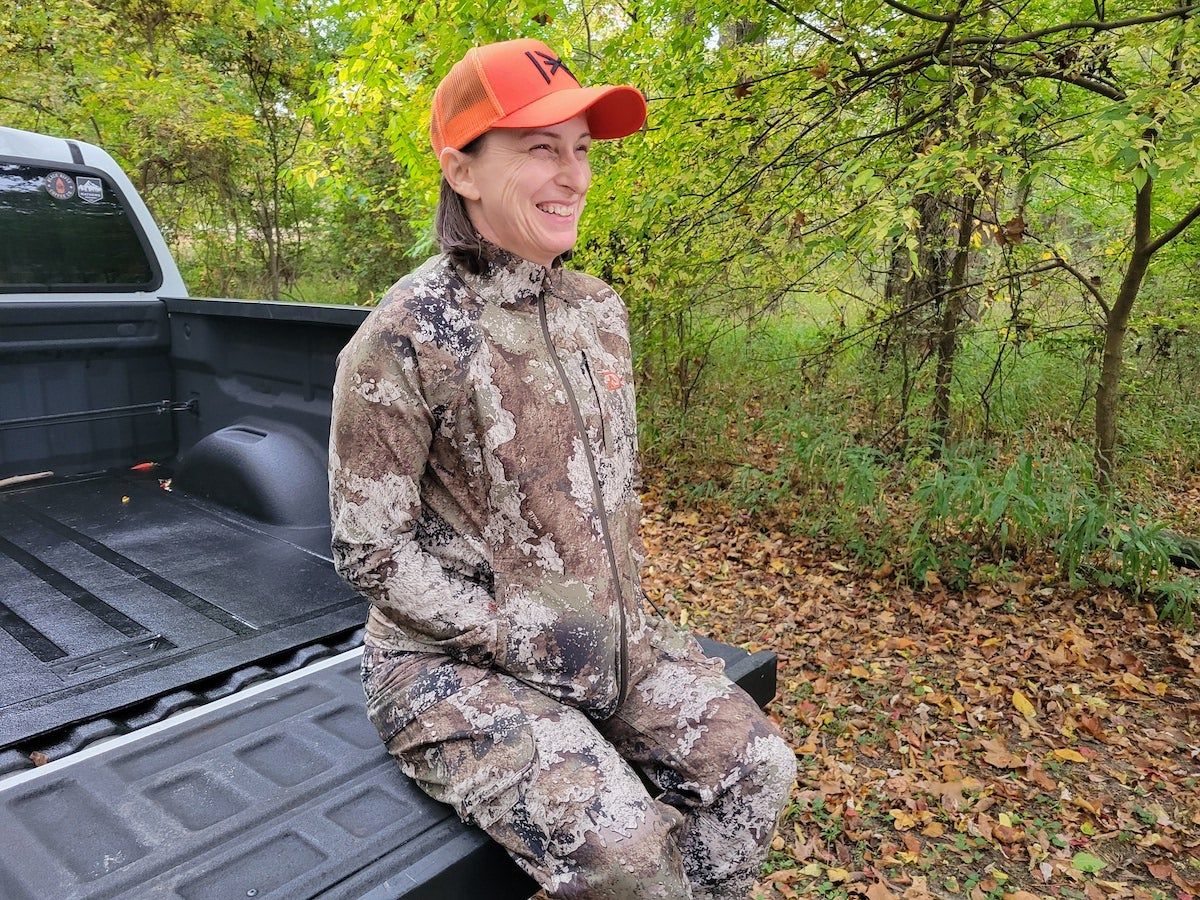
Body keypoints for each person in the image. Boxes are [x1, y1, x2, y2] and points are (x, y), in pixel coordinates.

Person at [328, 38, 796, 899]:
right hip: (448, 670)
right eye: (541, 148)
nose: (574, 175)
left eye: (581, 149)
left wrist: (616, 630)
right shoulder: (409, 335)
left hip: (611, 647)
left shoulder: (599, 313)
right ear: (460, 170)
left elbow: (606, 502)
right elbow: (370, 551)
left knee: (760, 769)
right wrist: (519, 635)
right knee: (627, 857)